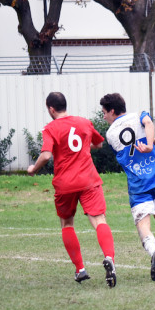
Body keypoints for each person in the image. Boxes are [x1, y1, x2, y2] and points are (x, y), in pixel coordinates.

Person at [28, 92, 117, 287]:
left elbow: (45, 155)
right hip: (88, 180)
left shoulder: (50, 128)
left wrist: (33, 169)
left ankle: (80, 269)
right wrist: (83, 148)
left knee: (67, 224)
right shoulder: (84, 122)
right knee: (99, 220)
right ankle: (109, 257)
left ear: (51, 109)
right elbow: (98, 143)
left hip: (65, 183)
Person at [100, 93, 155, 281]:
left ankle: (154, 251)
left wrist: (147, 145)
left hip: (138, 181)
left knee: (142, 222)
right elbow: (148, 124)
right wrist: (151, 143)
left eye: (104, 113)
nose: (104, 117)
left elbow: (129, 150)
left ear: (113, 111)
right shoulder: (139, 114)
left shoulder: (110, 134)